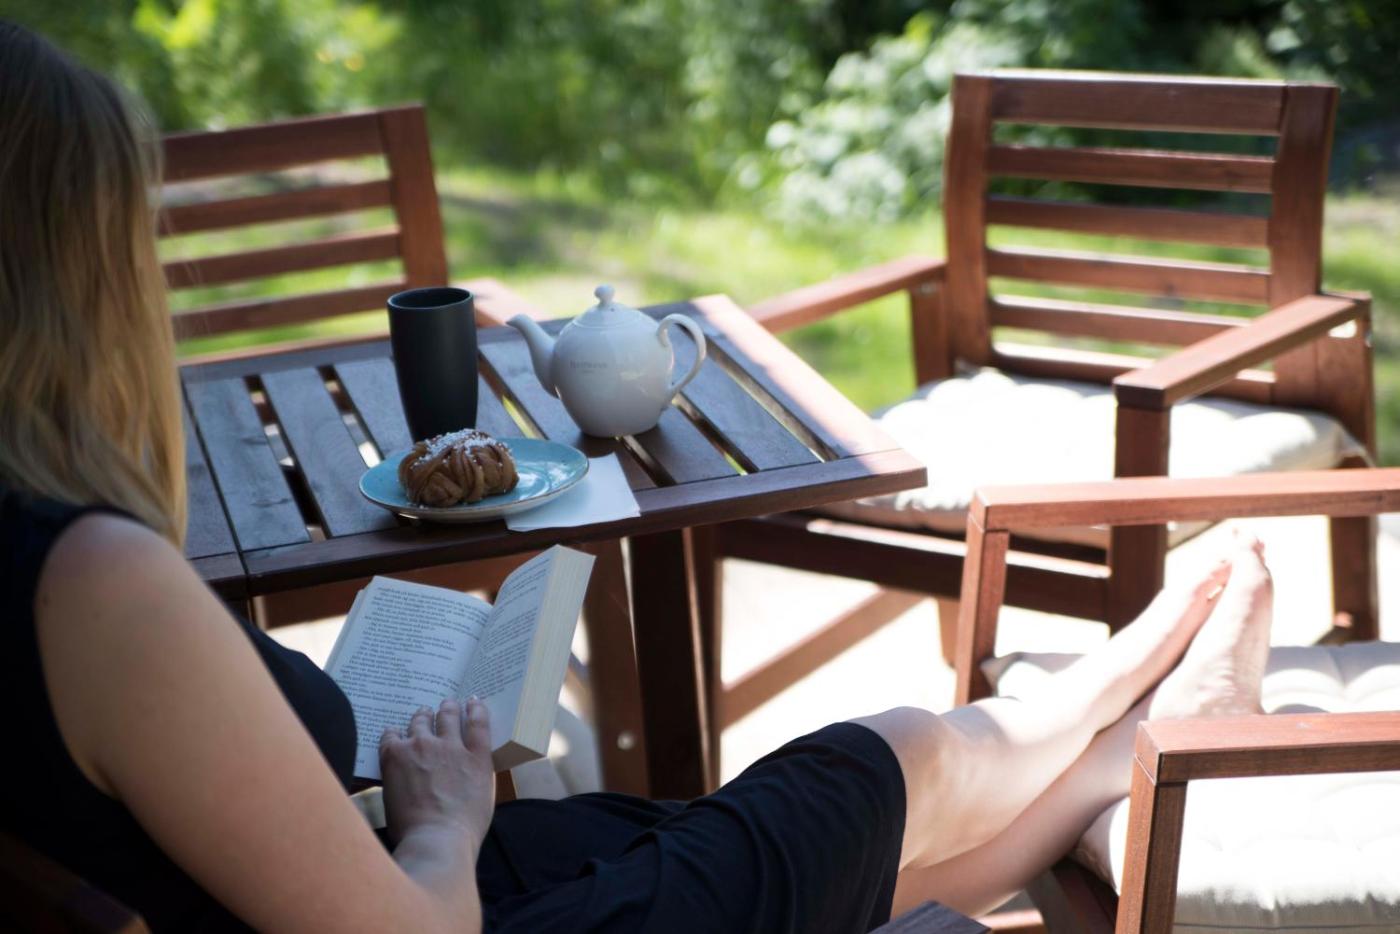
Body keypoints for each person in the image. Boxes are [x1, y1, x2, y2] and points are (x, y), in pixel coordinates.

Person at [0, 21, 1276, 933]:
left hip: (363, 873)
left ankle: (1131, 743)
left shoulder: (47, 562)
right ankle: (1140, 675)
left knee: (831, 865)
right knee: (880, 761)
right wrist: (443, 816)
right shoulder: (94, 581)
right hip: (435, 885)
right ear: (75, 277)